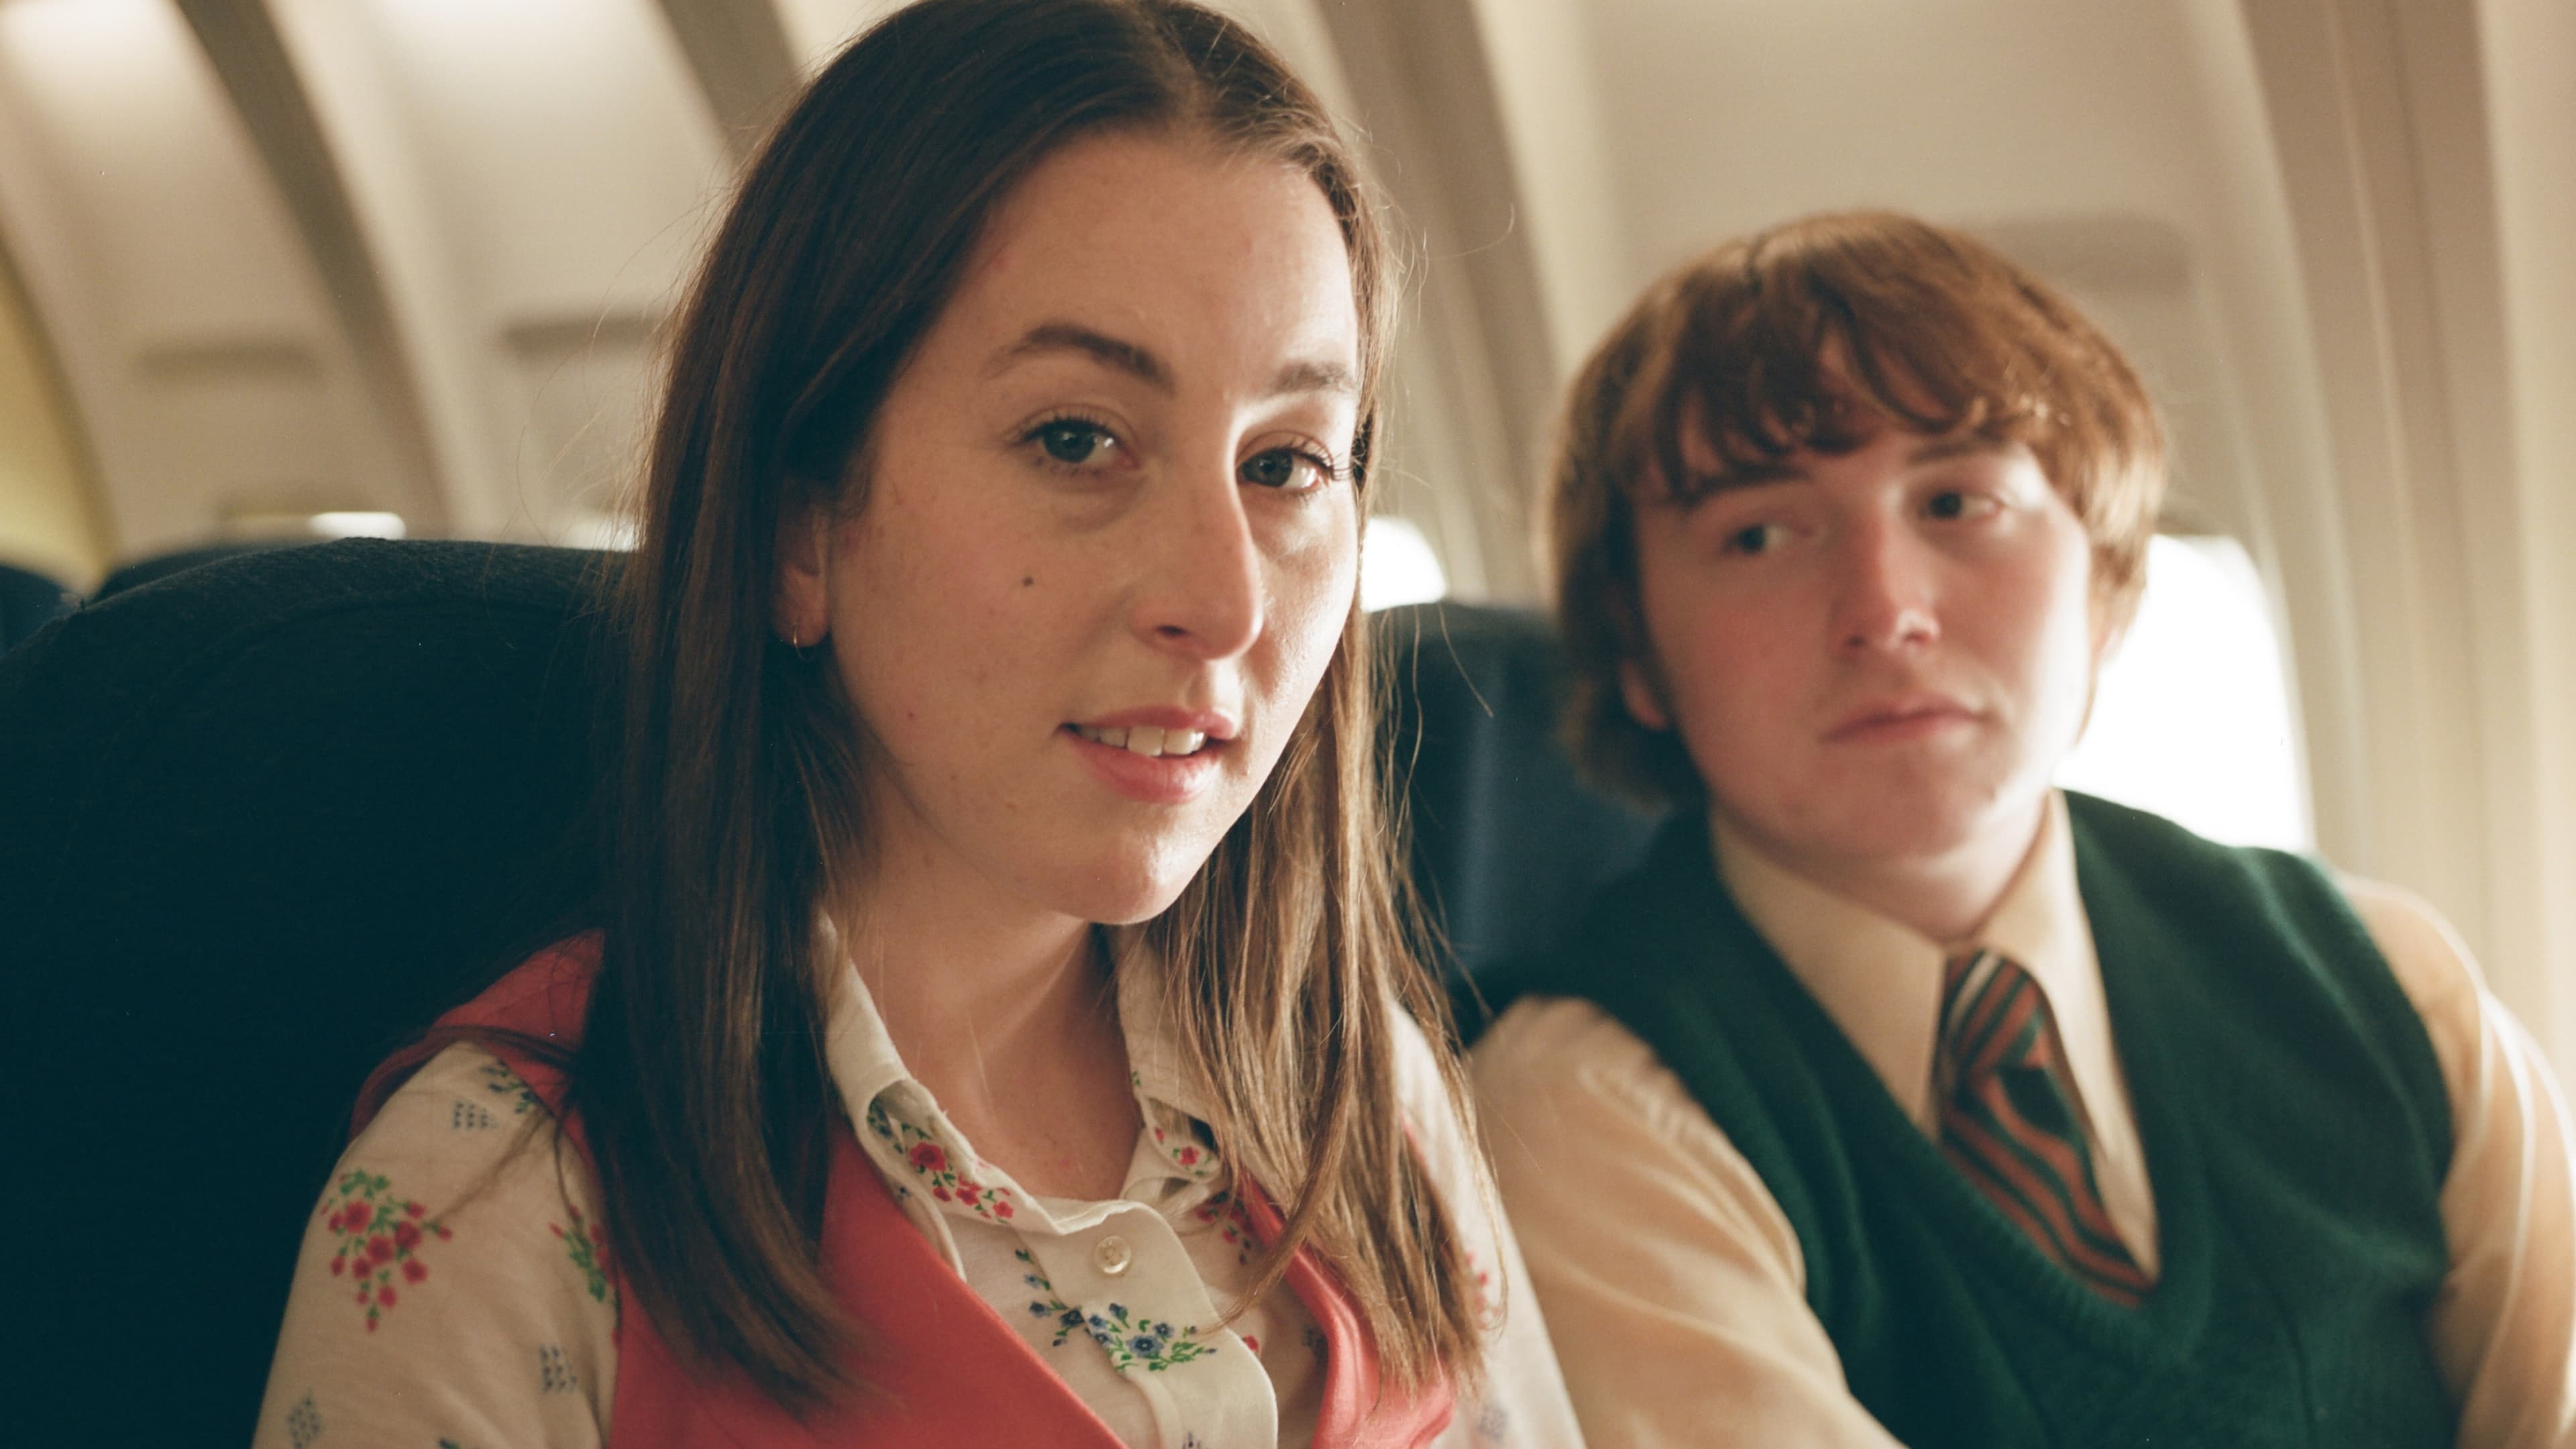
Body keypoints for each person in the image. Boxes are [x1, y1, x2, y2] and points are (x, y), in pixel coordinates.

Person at [252, 2, 1580, 1444]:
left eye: (1288, 464)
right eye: (1076, 440)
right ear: (798, 530)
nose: (1225, 600)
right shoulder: (506, 1207)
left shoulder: (1361, 1096)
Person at [1472, 210, 2576, 1447]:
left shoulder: (2384, 987)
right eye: (1760, 534)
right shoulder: (1585, 1110)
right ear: (1634, 649)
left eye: (1957, 501)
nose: (1885, 608)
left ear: (2106, 583)